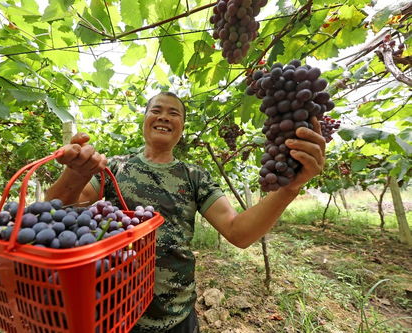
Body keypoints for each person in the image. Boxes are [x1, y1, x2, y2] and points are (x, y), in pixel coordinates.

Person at [45, 92, 326, 333]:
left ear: (182, 127)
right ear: (144, 120)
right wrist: (74, 175)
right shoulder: (115, 168)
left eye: (174, 113)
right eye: (156, 110)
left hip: (175, 315)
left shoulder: (194, 177)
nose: (164, 117)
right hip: (115, 309)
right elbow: (59, 208)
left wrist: (289, 189)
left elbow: (239, 232)